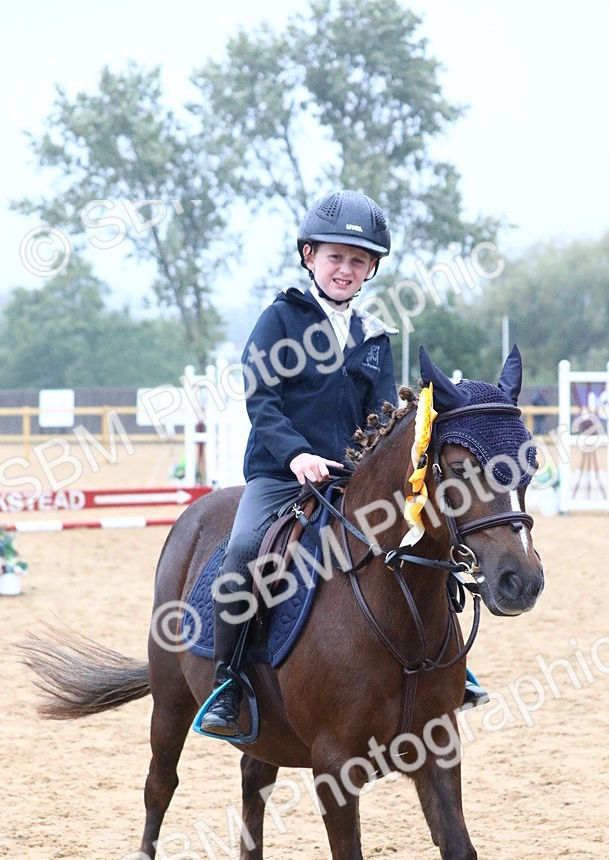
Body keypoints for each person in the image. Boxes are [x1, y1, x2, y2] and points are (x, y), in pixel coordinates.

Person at [198, 189, 486, 739]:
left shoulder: (374, 336)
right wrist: (297, 455)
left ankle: (451, 664)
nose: (346, 269)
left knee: (427, 536)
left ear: (372, 268)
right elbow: (263, 400)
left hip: (353, 479)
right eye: (336, 257)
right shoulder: (279, 319)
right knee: (242, 551)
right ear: (309, 256)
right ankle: (229, 682)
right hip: (281, 476)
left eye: (359, 261)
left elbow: (382, 417)